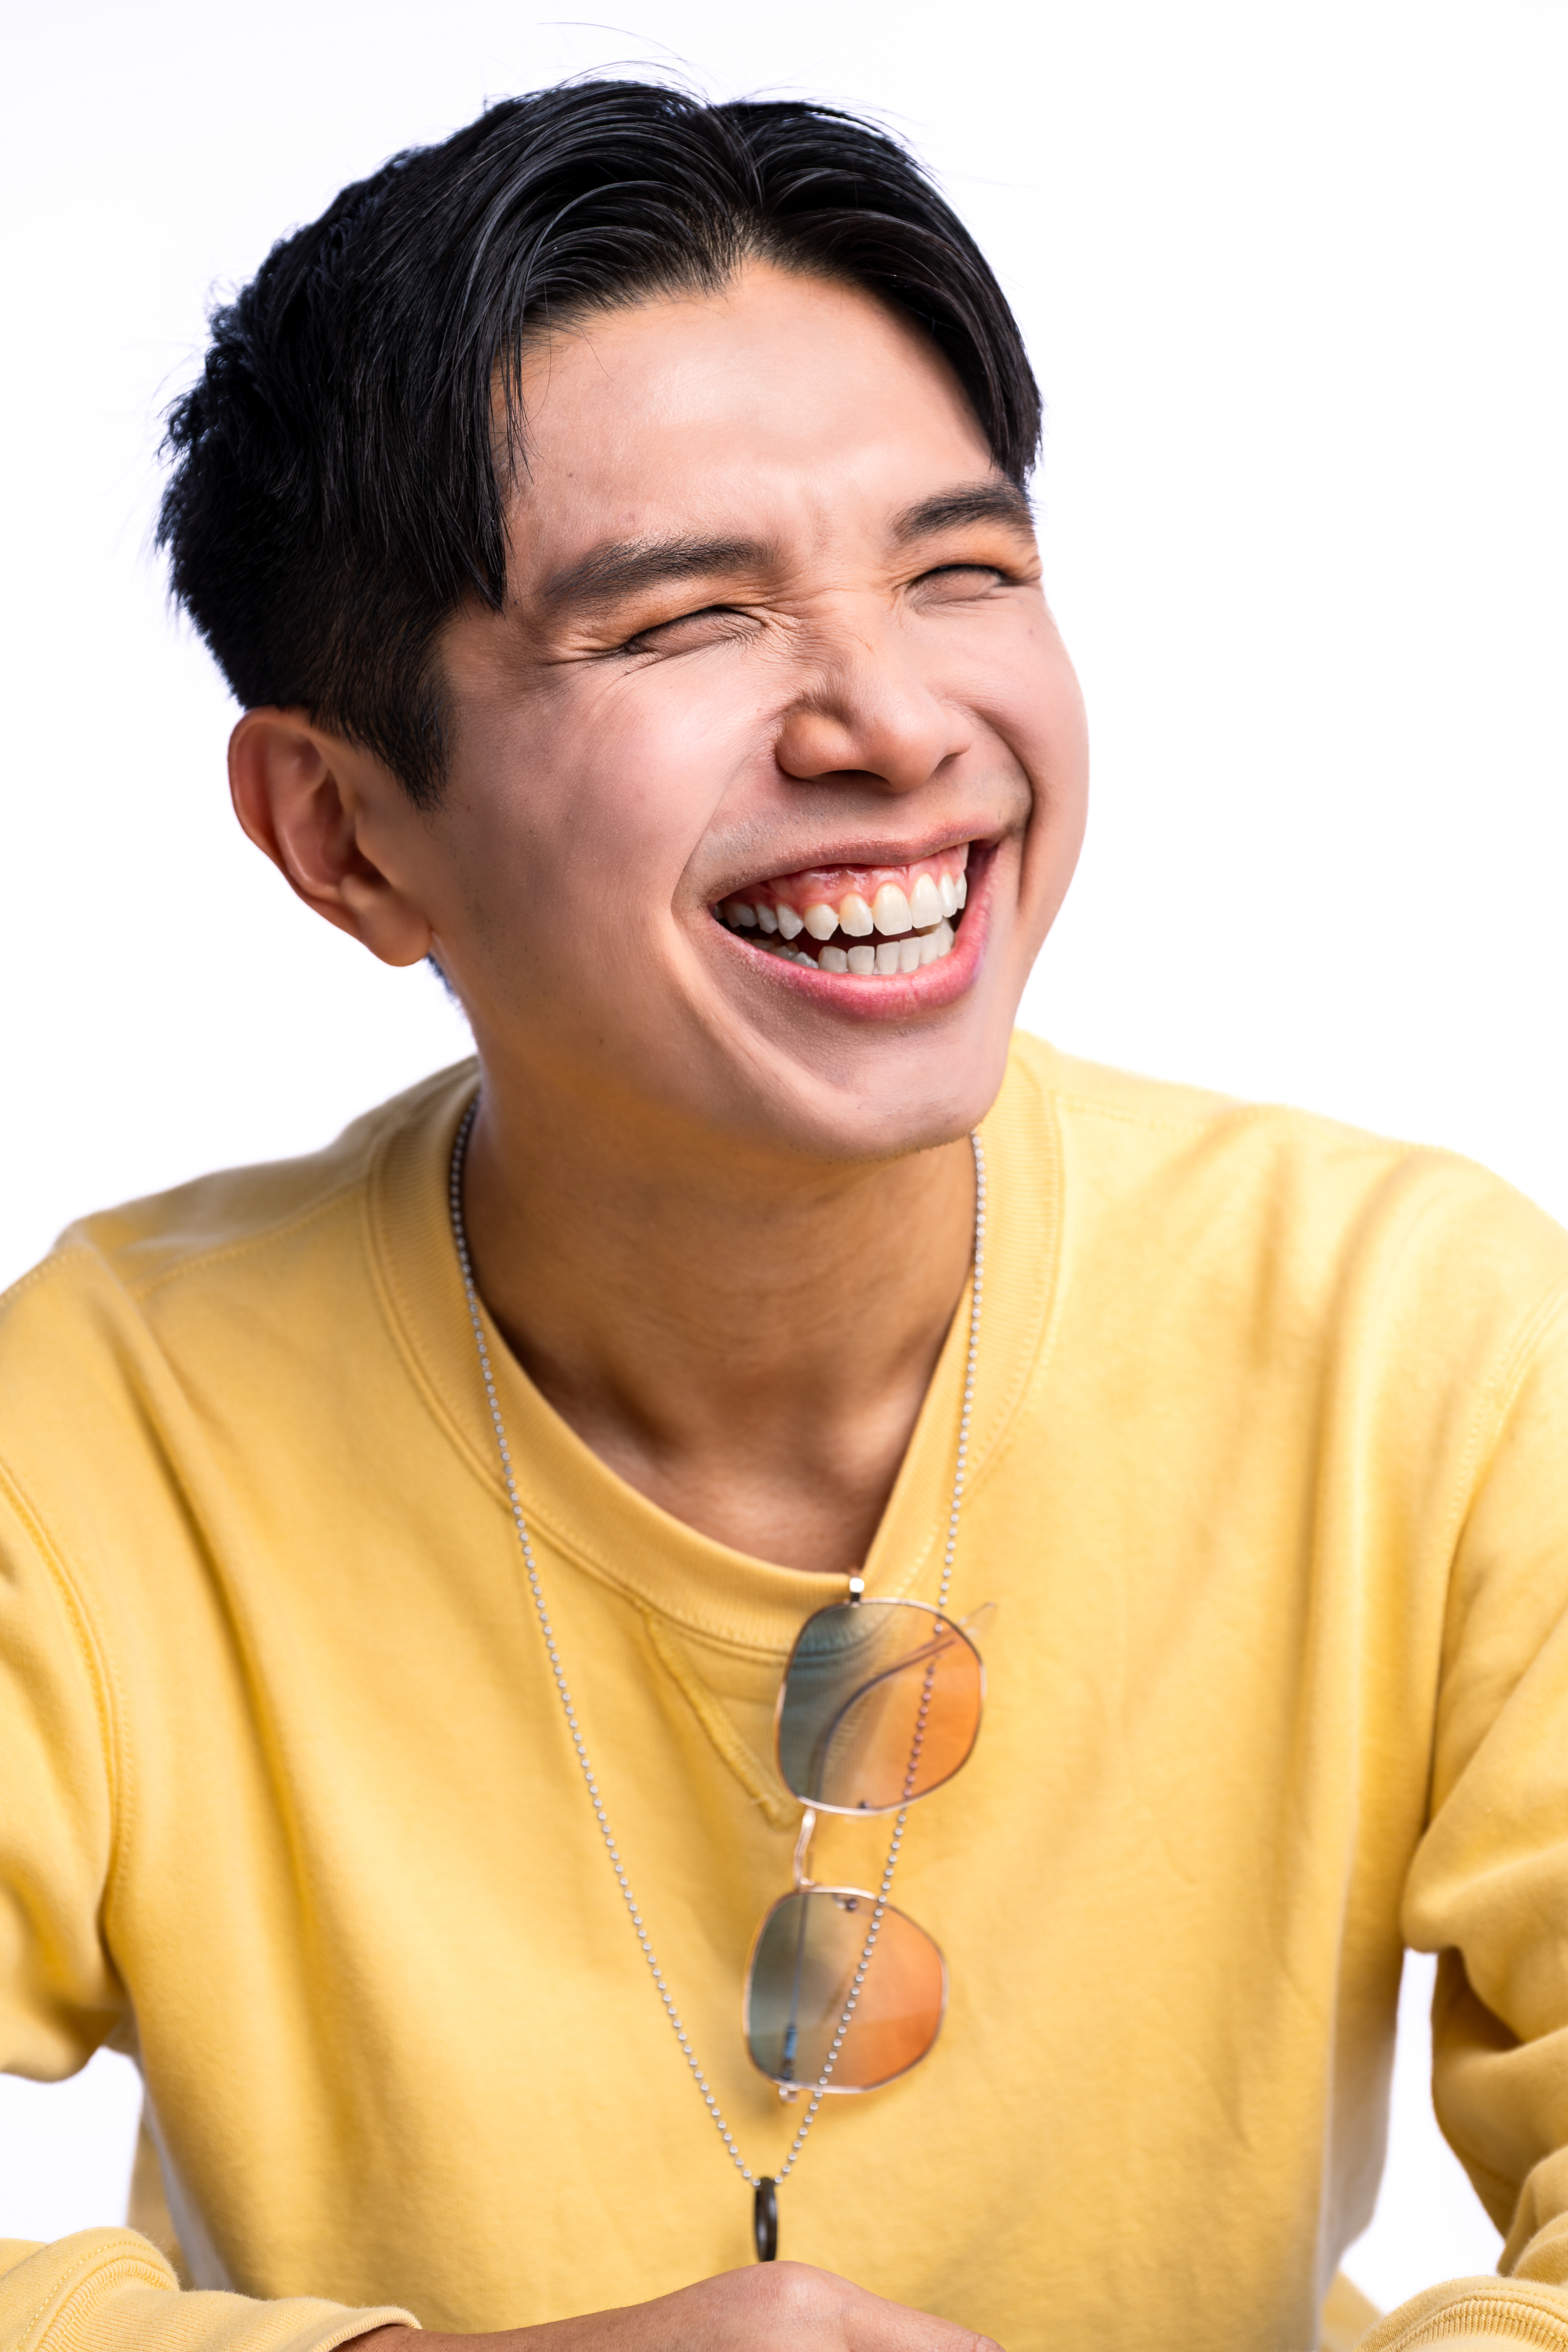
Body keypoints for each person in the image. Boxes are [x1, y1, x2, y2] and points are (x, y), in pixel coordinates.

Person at [2, 76, 1565, 2352]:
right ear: (343, 833)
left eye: (963, 572)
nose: (894, 720)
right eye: (687, 620)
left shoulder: (1433, 1352)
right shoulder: (96, 1432)